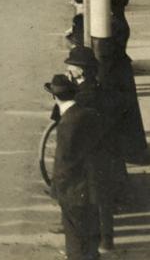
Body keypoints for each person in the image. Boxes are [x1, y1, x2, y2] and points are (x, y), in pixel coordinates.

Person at [46, 73, 105, 260]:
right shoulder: (87, 113)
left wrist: (56, 189)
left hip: (74, 189)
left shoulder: (66, 124)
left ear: (55, 97)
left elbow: (64, 163)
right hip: (93, 184)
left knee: (75, 235)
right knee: (90, 230)